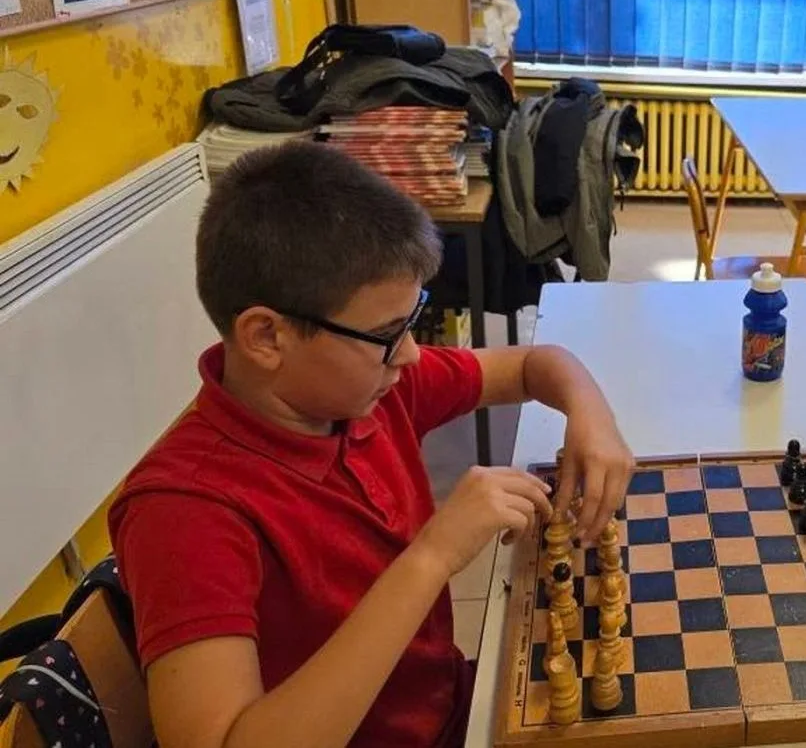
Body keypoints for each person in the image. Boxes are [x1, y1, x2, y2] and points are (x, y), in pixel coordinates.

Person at [109, 142, 634, 748]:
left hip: (451, 706)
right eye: (388, 333)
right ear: (266, 337)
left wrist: (592, 417)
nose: (410, 354)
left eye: (413, 320)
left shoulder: (367, 391)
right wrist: (433, 555)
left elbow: (535, 364)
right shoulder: (185, 510)